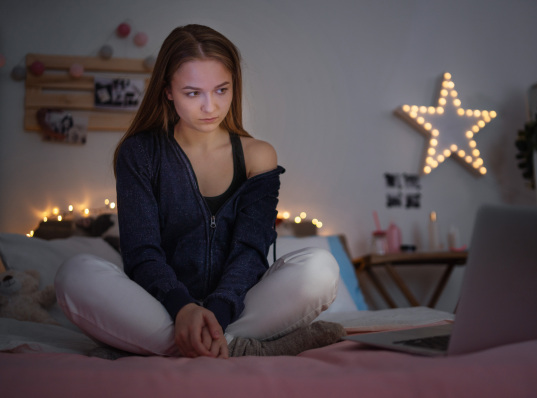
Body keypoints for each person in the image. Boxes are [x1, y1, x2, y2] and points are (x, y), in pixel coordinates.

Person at [55, 24, 344, 359]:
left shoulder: (258, 155)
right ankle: (235, 347)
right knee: (74, 274)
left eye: (221, 90)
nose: (211, 107)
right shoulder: (141, 153)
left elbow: (250, 251)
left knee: (320, 267)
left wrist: (218, 311)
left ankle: (190, 342)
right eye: (193, 93)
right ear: (167, 91)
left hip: (240, 306)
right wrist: (183, 308)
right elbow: (142, 253)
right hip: (161, 306)